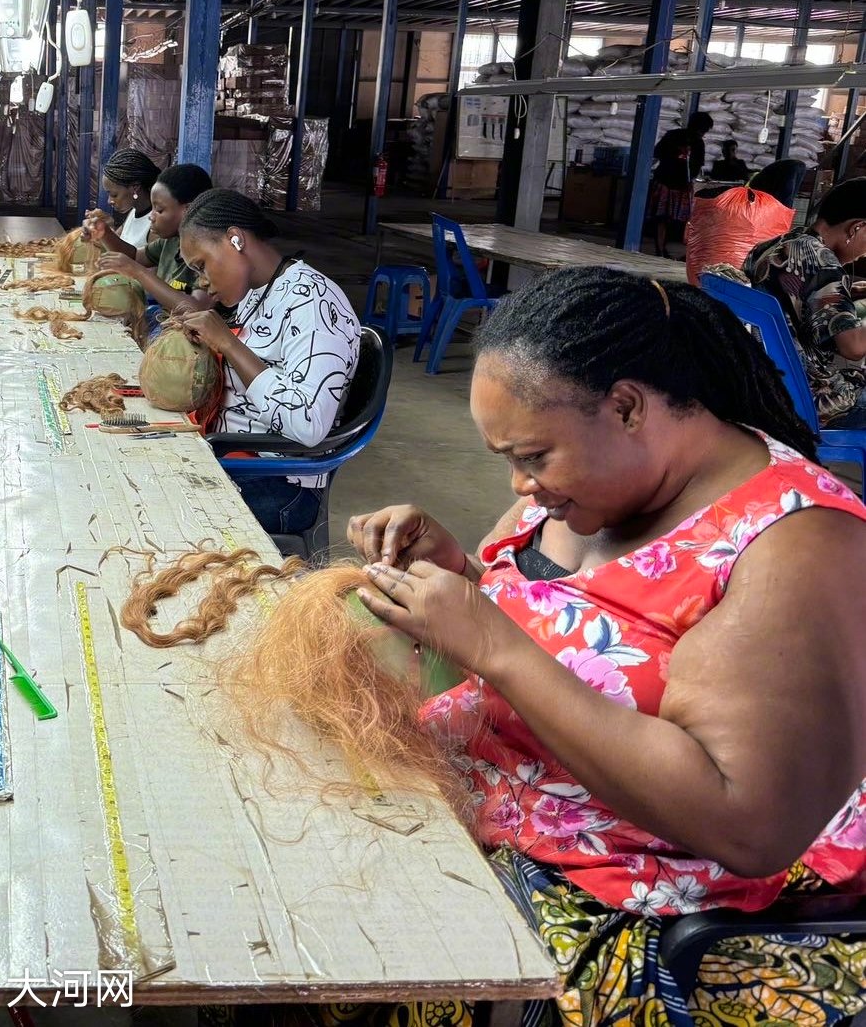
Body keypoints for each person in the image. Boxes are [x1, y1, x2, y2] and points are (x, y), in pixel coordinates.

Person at [329, 266, 866, 1027]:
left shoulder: (792, 546)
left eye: (534, 458)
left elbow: (749, 825)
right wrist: (464, 574)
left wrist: (497, 648)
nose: (521, 487)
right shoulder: (597, 489)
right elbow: (580, 630)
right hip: (491, 803)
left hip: (652, 895)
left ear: (625, 407)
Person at [174, 188, 360, 537]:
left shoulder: (313, 301)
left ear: (235, 240)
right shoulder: (259, 294)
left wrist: (228, 343)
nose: (201, 281)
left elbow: (308, 423)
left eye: (201, 265)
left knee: (164, 517)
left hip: (280, 482)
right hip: (234, 457)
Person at [736, 176, 866, 429]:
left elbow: (797, 292)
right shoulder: (824, 262)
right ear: (856, 228)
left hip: (761, 382)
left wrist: (851, 290)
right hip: (808, 397)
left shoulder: (774, 245)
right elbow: (854, 347)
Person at [94, 162, 218, 318]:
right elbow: (134, 256)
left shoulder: (207, 255)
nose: (151, 217)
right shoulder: (170, 242)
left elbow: (196, 309)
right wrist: (104, 233)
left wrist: (138, 272)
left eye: (159, 210)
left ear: (188, 210)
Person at [647, 111, 714, 259]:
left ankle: (665, 249)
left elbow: (697, 165)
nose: (703, 134)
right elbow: (658, 152)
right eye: (703, 130)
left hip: (679, 184)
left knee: (668, 219)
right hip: (667, 182)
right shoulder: (677, 137)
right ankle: (661, 249)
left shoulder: (695, 142)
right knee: (663, 218)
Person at [84, 148, 162, 257]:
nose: (109, 201)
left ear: (135, 187)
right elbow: (113, 244)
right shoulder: (133, 213)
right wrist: (100, 228)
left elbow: (140, 261)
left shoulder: (156, 222)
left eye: (114, 195)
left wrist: (105, 231)